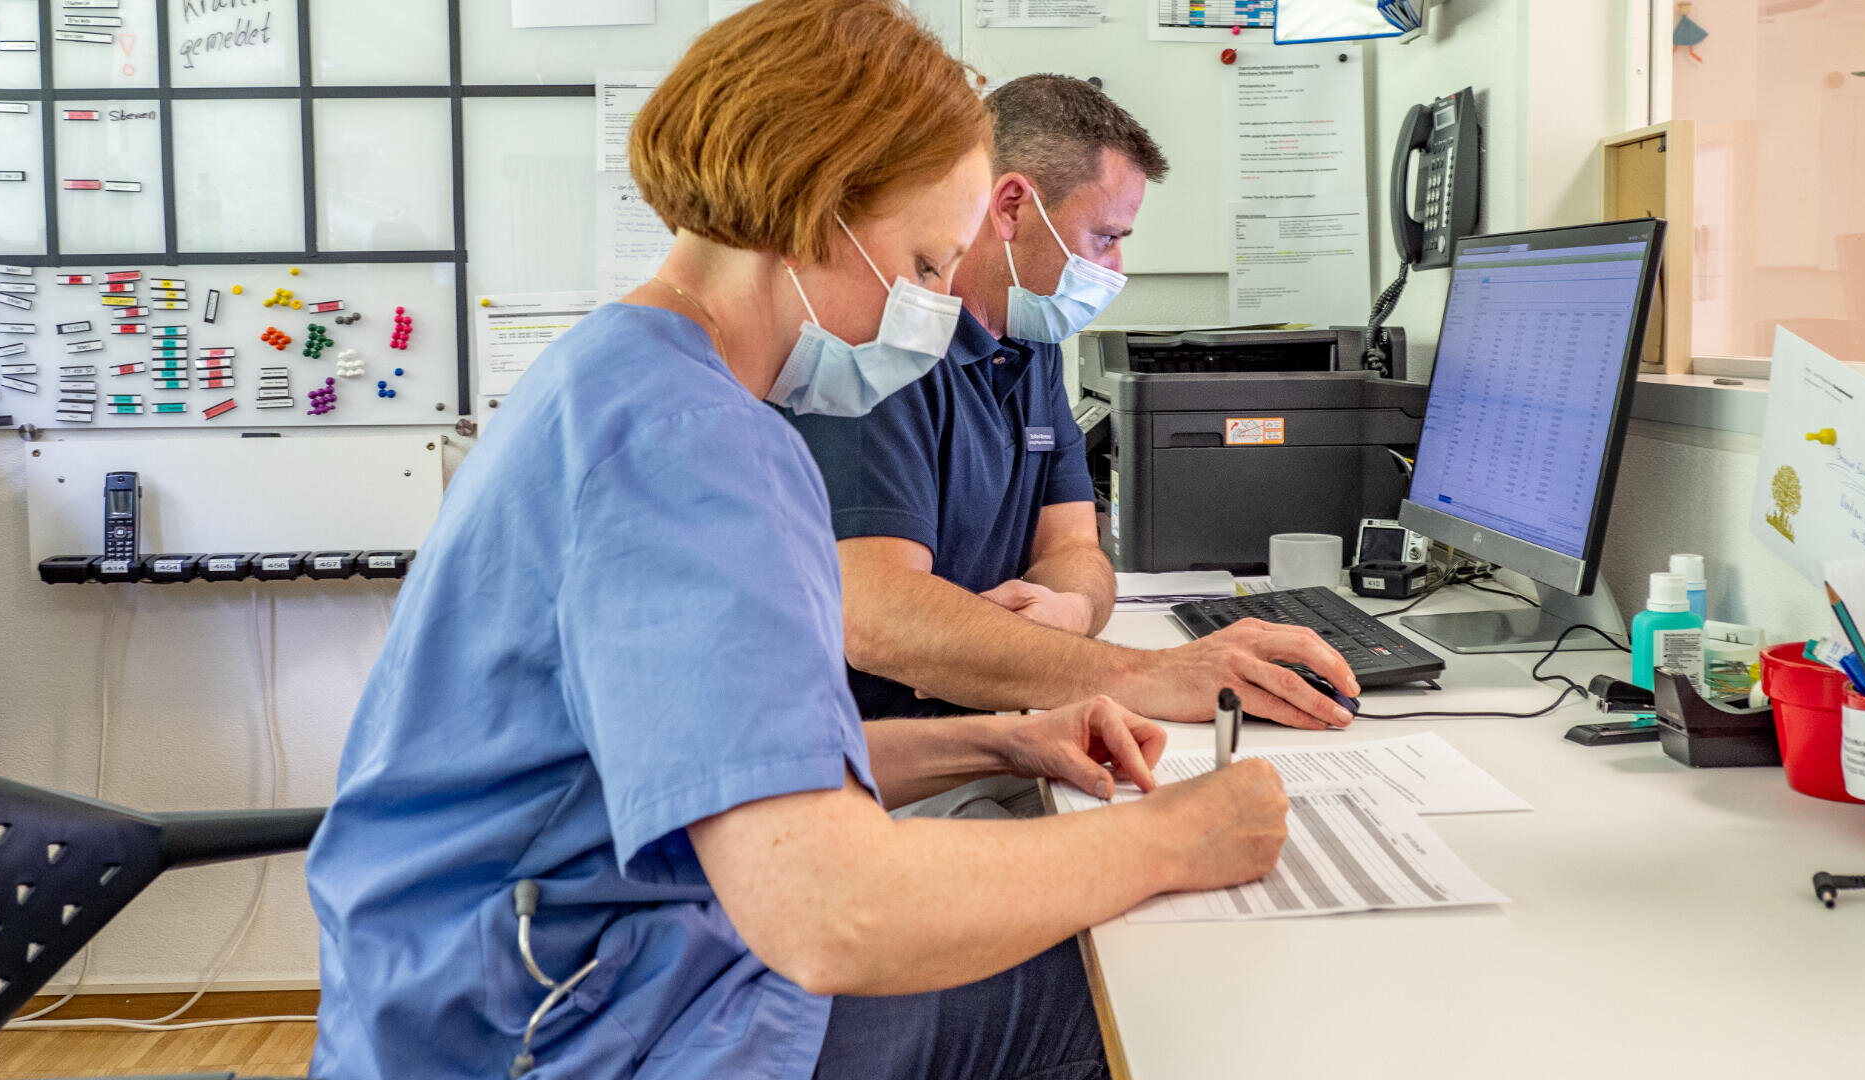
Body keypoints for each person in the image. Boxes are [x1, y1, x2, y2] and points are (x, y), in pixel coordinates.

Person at [304, 6, 1291, 1079]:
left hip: (521, 980)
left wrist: (1003, 740)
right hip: (573, 1030)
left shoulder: (612, 376)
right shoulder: (700, 447)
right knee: (1116, 1000)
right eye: (924, 263)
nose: (931, 307)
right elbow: (831, 910)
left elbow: (719, 770)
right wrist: (1183, 836)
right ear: (824, 212)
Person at [788, 76, 1361, 740]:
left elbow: (1074, 546)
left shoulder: (1031, 346)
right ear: (1011, 206)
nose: (1117, 266)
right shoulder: (881, 355)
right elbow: (880, 622)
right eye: (1104, 236)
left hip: (1005, 715)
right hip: (885, 757)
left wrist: (1068, 611)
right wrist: (1147, 674)